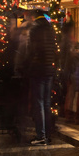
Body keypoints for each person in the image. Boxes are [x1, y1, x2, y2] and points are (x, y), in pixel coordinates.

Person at [26, 9, 58, 146]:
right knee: (46, 103)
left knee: (38, 103)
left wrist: (26, 65)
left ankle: (41, 135)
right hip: (49, 69)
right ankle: (47, 135)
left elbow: (31, 50)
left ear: (34, 17)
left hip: (38, 69)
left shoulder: (35, 30)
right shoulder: (51, 30)